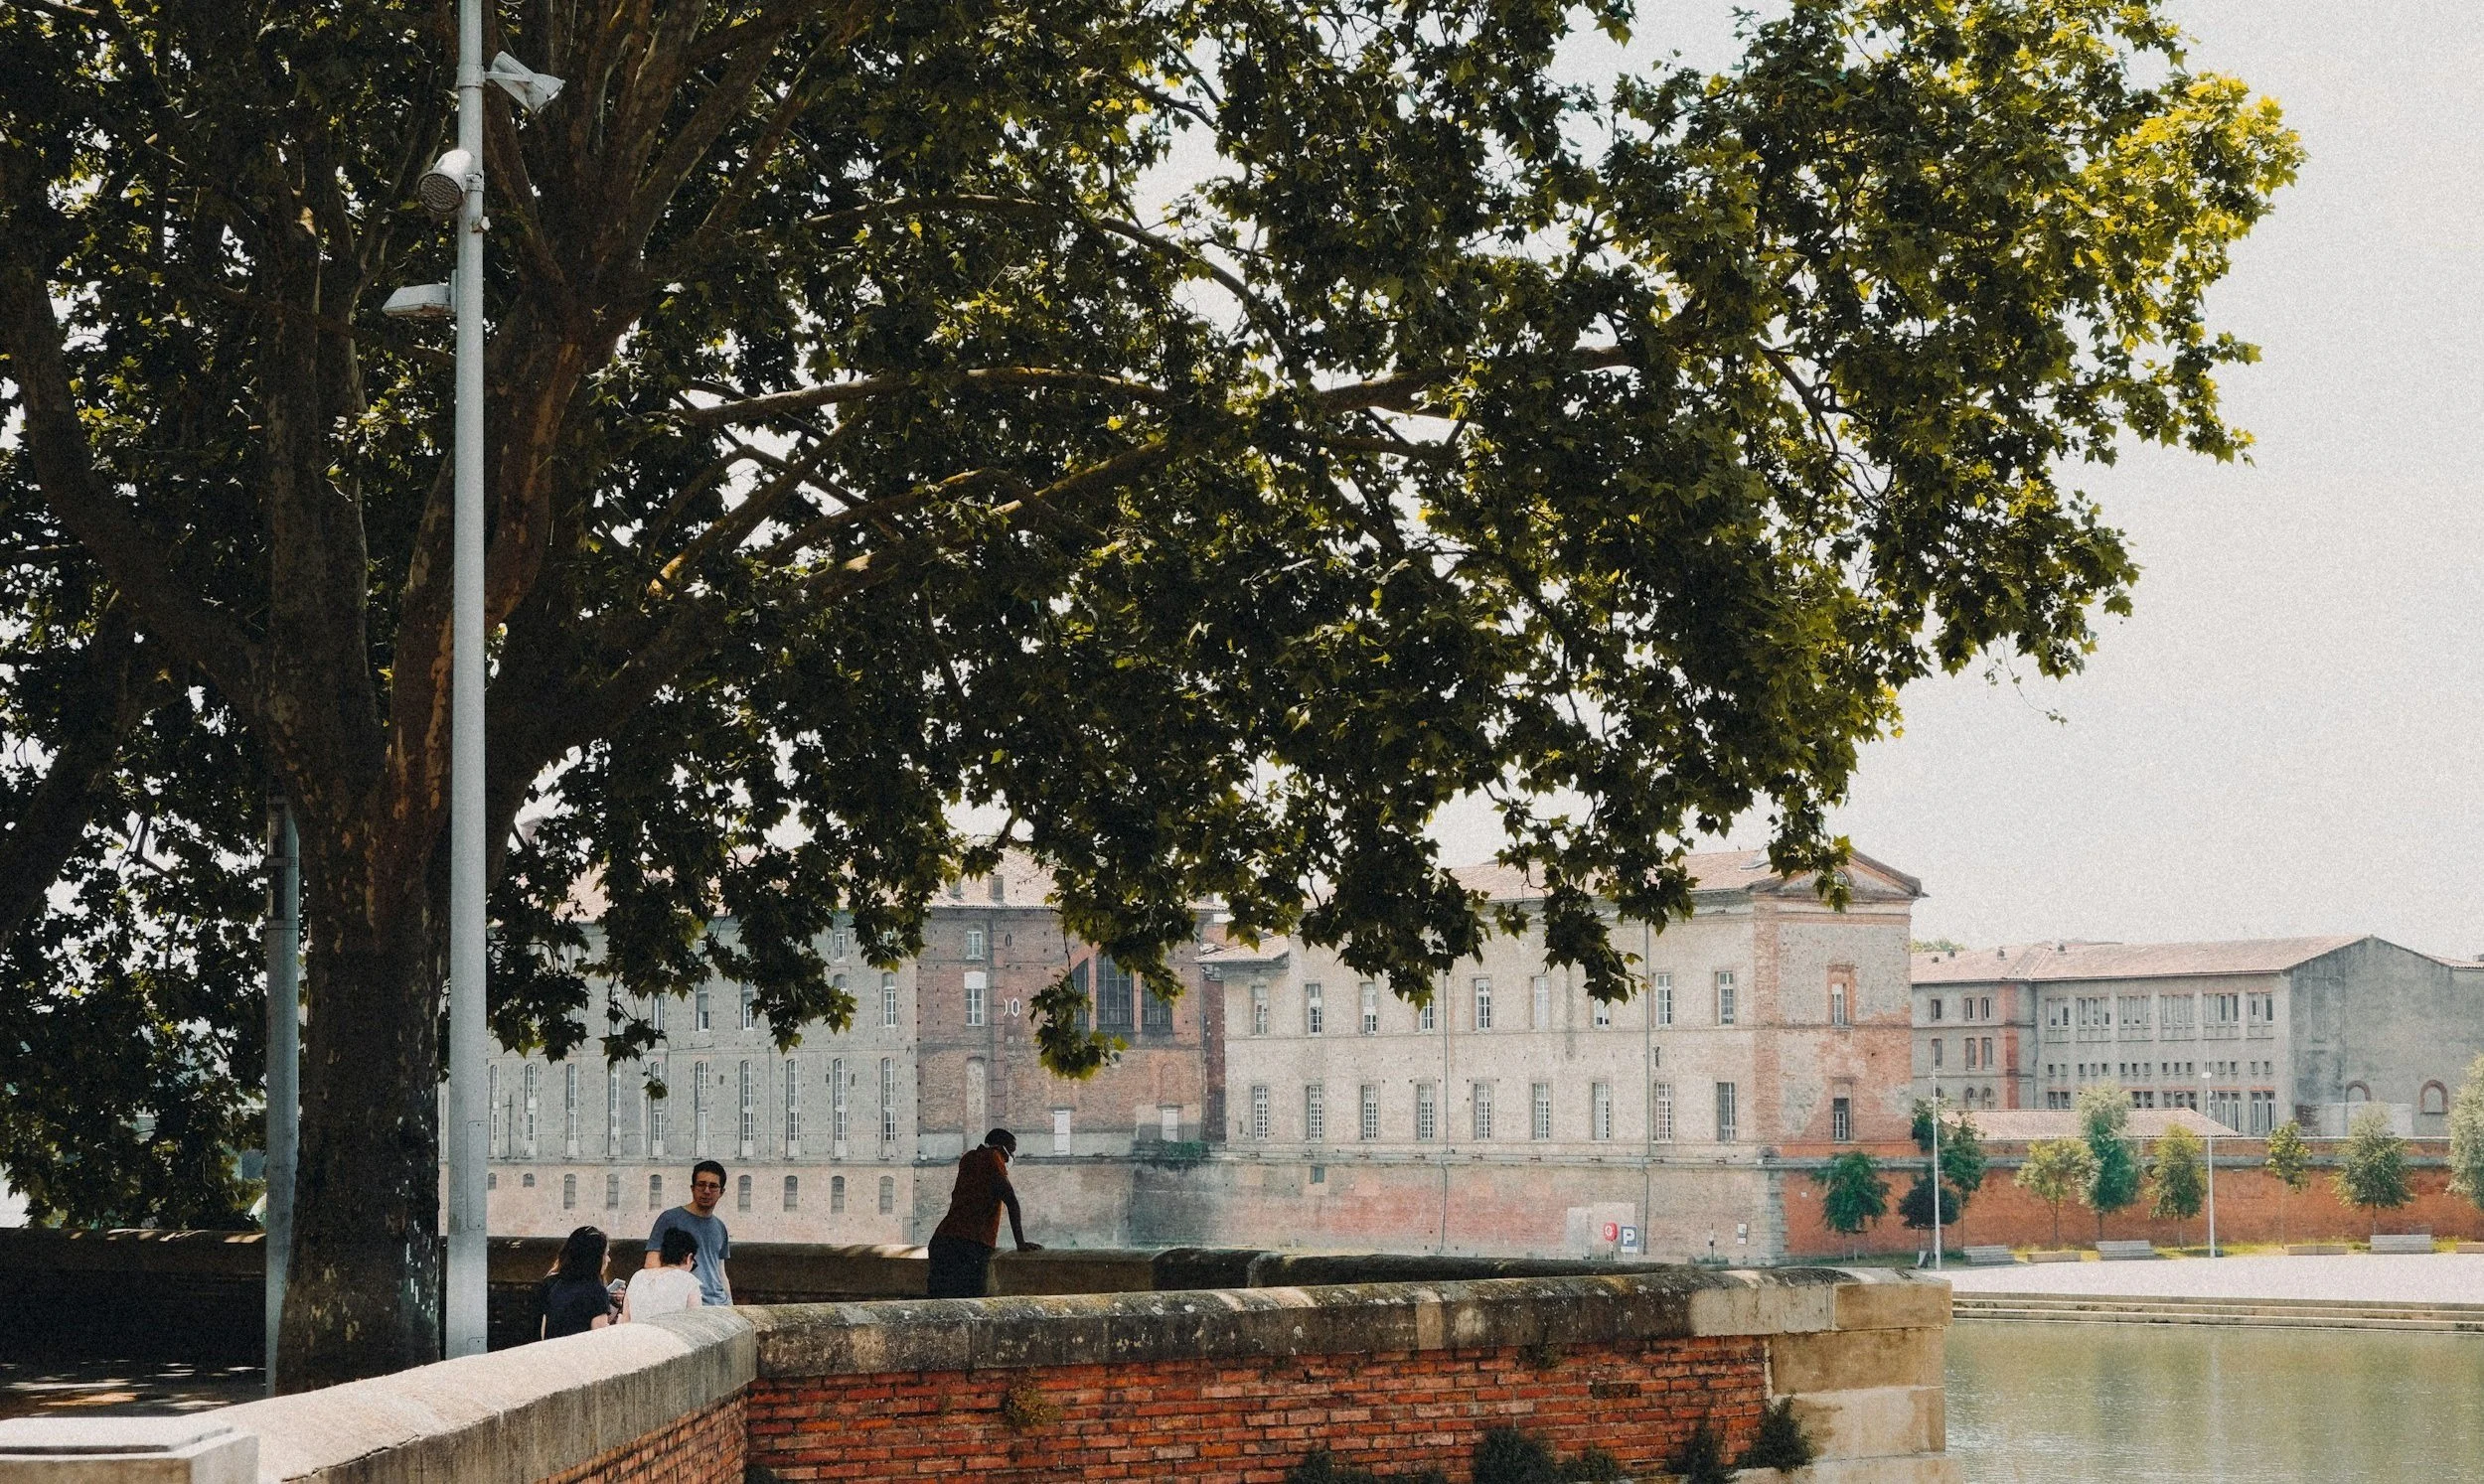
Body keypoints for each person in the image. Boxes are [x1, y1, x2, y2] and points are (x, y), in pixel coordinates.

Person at [928, 1127, 1040, 1298]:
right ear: (1001, 1147)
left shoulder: (968, 1158)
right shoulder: (993, 1158)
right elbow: (1011, 1201)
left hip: (943, 1239)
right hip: (970, 1244)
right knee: (969, 1304)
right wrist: (1021, 1243)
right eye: (1011, 1150)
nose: (1011, 1157)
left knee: (938, 1303)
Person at [645, 1159, 732, 1306]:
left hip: (719, 1307)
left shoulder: (720, 1226)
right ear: (692, 1188)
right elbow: (651, 1264)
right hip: (688, 1306)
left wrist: (732, 1308)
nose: (706, 1191)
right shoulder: (670, 1219)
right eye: (701, 1184)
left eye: (713, 1186)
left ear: (721, 1192)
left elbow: (720, 1273)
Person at [537, 1225, 619, 1339]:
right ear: (594, 1258)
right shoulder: (596, 1292)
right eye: (605, 1254)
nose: (608, 1259)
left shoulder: (553, 1284)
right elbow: (599, 1340)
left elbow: (544, 1331)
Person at [622, 1227, 704, 1321]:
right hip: (671, 1335)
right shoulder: (689, 1281)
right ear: (689, 1258)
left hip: (637, 1334)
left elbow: (626, 1319)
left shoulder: (638, 1276)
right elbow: (695, 1322)